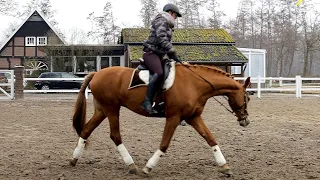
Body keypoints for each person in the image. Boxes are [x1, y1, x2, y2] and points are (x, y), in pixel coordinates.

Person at [141, 3, 182, 114]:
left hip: (159, 55)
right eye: (175, 15)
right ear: (170, 12)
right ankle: (147, 101)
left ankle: (160, 101)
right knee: (159, 72)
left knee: (169, 72)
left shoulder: (168, 25)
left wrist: (172, 55)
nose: (176, 18)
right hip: (150, 53)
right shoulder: (161, 20)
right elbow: (161, 37)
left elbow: (166, 43)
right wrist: (171, 50)